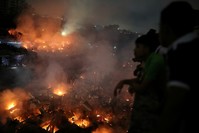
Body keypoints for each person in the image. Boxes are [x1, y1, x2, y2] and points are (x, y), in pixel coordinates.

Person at [154, 1, 199, 133]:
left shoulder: (181, 52)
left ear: (167, 28)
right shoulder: (193, 45)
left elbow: (175, 103)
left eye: (159, 27)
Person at [114, 29, 167, 133]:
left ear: (146, 49)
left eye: (138, 47)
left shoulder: (156, 61)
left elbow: (142, 88)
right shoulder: (150, 60)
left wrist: (132, 85)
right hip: (145, 113)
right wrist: (124, 82)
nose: (134, 50)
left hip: (150, 115)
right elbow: (141, 80)